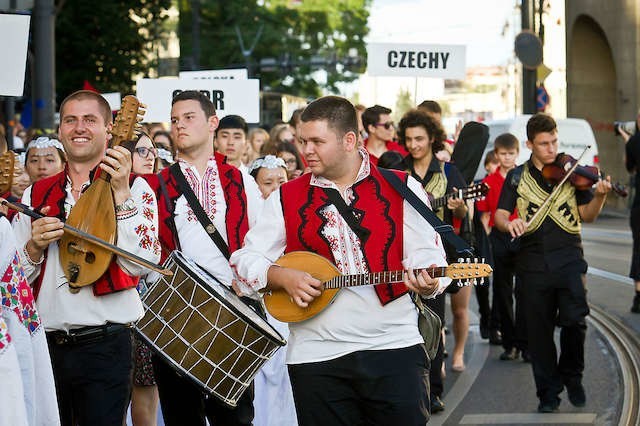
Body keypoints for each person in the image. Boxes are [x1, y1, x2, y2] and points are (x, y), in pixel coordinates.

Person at [230, 96, 449, 425]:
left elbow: (428, 252)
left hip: (394, 346)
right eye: (303, 141)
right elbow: (245, 258)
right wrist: (279, 276)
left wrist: (429, 277)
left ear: (350, 140)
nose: (307, 150)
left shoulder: (401, 187)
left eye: (318, 141)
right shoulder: (285, 197)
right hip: (316, 354)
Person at [11, 89, 161, 425]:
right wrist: (34, 247)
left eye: (90, 120)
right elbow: (12, 280)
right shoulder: (36, 192)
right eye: (71, 120)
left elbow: (142, 263)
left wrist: (120, 193)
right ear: (60, 129)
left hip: (107, 343)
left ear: (110, 129)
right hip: (46, 344)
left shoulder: (137, 188)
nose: (79, 128)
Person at [144, 90, 263, 426]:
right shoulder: (155, 184)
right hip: (176, 312)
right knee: (182, 417)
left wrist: (249, 285)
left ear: (213, 123)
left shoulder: (240, 179)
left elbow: (263, 241)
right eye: (175, 119)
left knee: (235, 418)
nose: (179, 125)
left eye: (189, 117)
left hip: (233, 311)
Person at [494, 113, 611, 413]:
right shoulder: (517, 176)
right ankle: (548, 393)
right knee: (539, 332)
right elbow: (500, 215)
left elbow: (588, 215)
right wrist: (510, 225)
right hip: (531, 262)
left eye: (554, 142)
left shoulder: (571, 172)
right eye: (544, 143)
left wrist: (599, 197)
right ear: (529, 144)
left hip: (569, 257)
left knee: (575, 321)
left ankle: (572, 375)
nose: (551, 149)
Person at [397, 108, 467, 413]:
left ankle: (433, 390)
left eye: (420, 139)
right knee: (404, 324)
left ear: (432, 138)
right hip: (400, 259)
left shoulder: (449, 172)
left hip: (437, 258)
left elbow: (464, 216)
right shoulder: (398, 170)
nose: (414, 145)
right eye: (409, 139)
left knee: (434, 323)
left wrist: (460, 208)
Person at [246, 154, 297, 426]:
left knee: (285, 369)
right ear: (255, 186)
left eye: (282, 180)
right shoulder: (249, 217)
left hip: (287, 303)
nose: (276, 187)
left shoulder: (293, 210)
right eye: (268, 182)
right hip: (258, 302)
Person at [476, 133, 528, 361]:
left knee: (526, 292)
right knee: (503, 291)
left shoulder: (525, 176)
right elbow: (485, 213)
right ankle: (510, 343)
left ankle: (526, 344)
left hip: (524, 236)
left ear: (517, 154)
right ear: (496, 155)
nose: (507, 158)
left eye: (511, 154)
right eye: (503, 154)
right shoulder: (488, 182)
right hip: (500, 237)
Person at [128, 132, 160, 426]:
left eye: (153, 150)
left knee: (144, 390)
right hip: (109, 302)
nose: (150, 156)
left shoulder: (149, 188)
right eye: (141, 150)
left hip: (145, 298)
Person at [621, 109, 640, 313]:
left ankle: (639, 297)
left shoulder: (634, 141)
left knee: (639, 249)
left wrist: (628, 142)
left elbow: (630, 168)